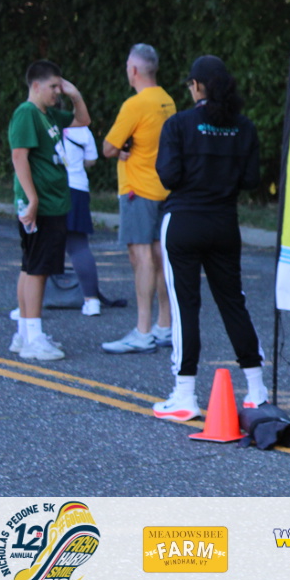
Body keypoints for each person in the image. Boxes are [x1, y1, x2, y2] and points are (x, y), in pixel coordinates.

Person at [151, 55, 268, 421]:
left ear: (198, 86)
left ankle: (184, 394)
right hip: (224, 223)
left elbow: (168, 176)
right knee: (233, 302)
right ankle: (257, 390)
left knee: (185, 306)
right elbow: (250, 179)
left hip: (184, 221)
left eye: (190, 84)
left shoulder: (178, 124)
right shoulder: (244, 127)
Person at [8, 60, 91, 360]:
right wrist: (32, 200)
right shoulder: (27, 113)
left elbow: (83, 120)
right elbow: (19, 157)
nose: (58, 91)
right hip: (42, 203)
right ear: (36, 86)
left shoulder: (49, 114)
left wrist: (75, 94)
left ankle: (24, 334)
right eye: (53, 86)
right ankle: (34, 338)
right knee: (38, 270)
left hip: (53, 201)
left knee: (30, 266)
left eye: (60, 85)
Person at [101, 43, 176, 354]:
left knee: (141, 257)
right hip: (163, 188)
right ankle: (164, 325)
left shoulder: (135, 104)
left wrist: (121, 149)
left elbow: (108, 148)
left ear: (133, 70)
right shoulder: (167, 101)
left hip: (137, 190)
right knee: (160, 256)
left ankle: (142, 331)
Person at [58, 125, 103, 316]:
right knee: (78, 246)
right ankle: (92, 301)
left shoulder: (44, 124)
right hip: (77, 187)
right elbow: (91, 160)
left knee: (40, 246)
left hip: (50, 188)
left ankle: (28, 306)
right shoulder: (83, 130)